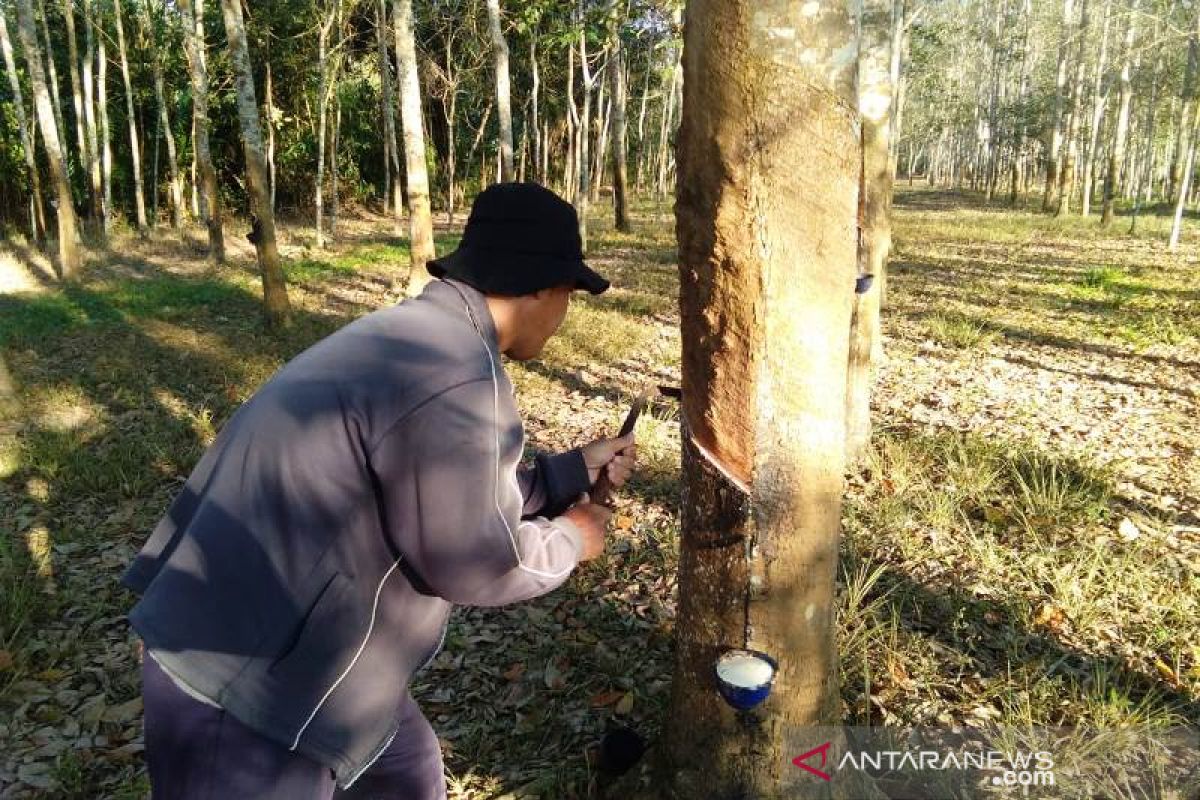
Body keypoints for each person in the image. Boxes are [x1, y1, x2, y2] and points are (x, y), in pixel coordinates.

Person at [122, 183, 638, 799]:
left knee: (409, 777)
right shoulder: (459, 374)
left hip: (300, 655)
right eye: (569, 296)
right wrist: (570, 539)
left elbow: (442, 494)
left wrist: (571, 472)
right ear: (541, 288)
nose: (564, 315)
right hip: (243, 683)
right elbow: (477, 564)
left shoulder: (416, 336)